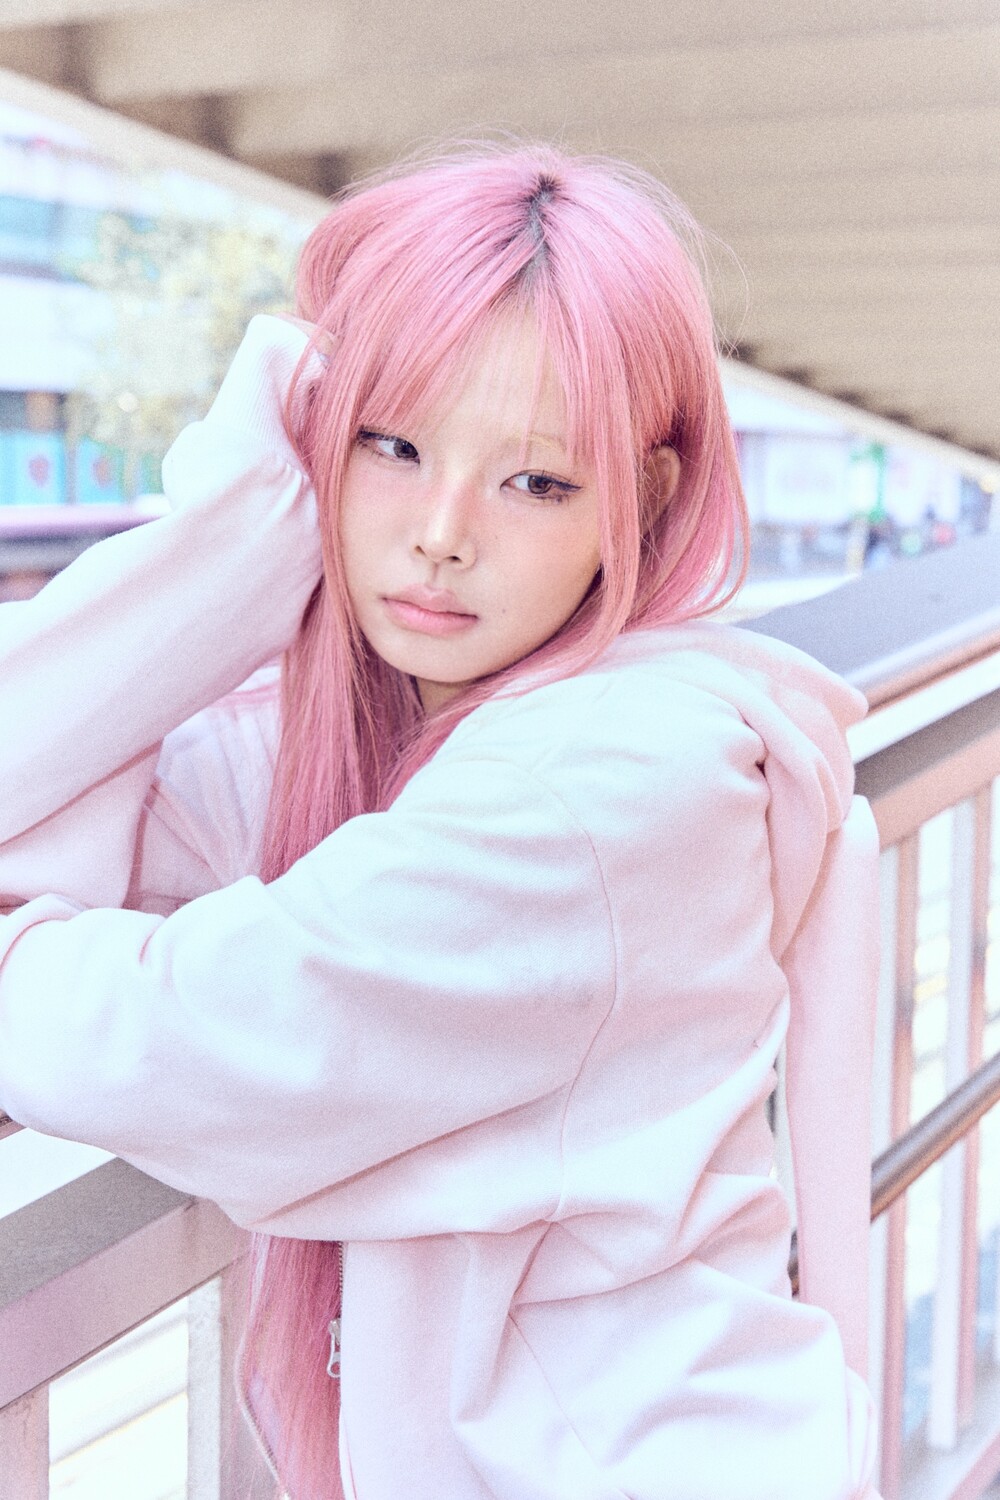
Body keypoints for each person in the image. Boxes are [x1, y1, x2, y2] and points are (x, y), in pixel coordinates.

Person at [0, 144, 882, 1500]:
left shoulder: (601, 790)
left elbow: (197, 1043)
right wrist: (244, 531)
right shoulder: (398, 737)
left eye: (536, 482)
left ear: (640, 504)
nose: (442, 534)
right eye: (393, 446)